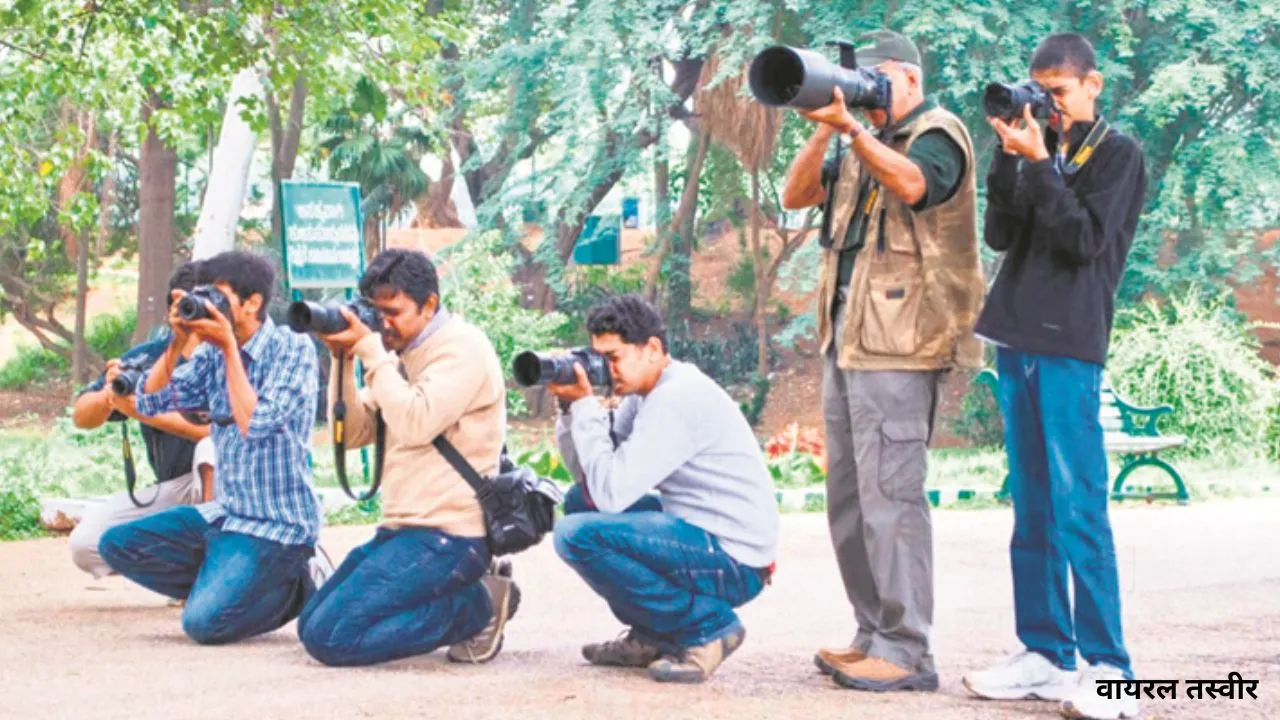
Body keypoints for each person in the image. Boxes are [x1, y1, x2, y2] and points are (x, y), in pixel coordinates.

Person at [780, 30, 985, 692]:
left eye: (877, 80)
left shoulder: (937, 131)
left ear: (913, 81)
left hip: (903, 344)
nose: (866, 92)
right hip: (847, 338)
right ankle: (871, 631)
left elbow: (917, 185)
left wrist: (857, 134)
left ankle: (907, 649)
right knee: (848, 500)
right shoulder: (854, 138)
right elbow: (794, 196)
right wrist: (825, 129)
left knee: (892, 497)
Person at [961, 33, 1147, 720]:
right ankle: (1045, 653)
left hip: (1070, 344)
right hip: (1016, 339)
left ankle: (1111, 669)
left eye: (1060, 93)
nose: (1051, 106)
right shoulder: (1040, 145)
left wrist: (1041, 162)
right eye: (1042, 92)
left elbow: (1083, 242)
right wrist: (1012, 157)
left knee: (1079, 509)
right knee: (1032, 508)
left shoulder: (1118, 154)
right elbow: (1002, 237)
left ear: (1092, 85)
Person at [297, 248, 518, 667]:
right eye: (375, 311)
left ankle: (477, 607)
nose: (382, 322)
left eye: (393, 311)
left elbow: (416, 422)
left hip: (450, 535)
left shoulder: (462, 349)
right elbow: (353, 433)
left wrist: (371, 353)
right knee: (311, 624)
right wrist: (342, 359)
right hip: (402, 530)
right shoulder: (398, 356)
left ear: (429, 304)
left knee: (331, 639)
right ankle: (461, 603)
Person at [98, 250, 328, 645]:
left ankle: (297, 587)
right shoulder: (208, 351)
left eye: (218, 296)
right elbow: (151, 401)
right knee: (117, 544)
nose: (209, 305)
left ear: (252, 302)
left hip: (277, 526)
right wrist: (177, 341)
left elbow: (255, 423)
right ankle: (226, 581)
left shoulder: (292, 349)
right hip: (225, 514)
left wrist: (228, 350)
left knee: (203, 625)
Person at [547, 294, 779, 684]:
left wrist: (587, 407)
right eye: (599, 358)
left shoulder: (676, 398)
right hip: (702, 535)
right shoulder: (646, 393)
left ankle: (708, 627)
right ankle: (655, 635)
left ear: (652, 348)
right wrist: (571, 412)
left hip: (734, 560)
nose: (606, 369)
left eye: (614, 357)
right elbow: (591, 482)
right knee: (577, 503)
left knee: (575, 536)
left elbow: (612, 494)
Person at [69, 261, 215, 581]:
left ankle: (216, 566)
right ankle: (186, 575)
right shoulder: (149, 357)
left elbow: (221, 434)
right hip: (177, 489)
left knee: (211, 448)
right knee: (86, 544)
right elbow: (81, 415)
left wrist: (144, 412)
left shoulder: (234, 355)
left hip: (233, 488)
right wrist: (110, 396)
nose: (193, 315)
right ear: (169, 312)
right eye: (184, 307)